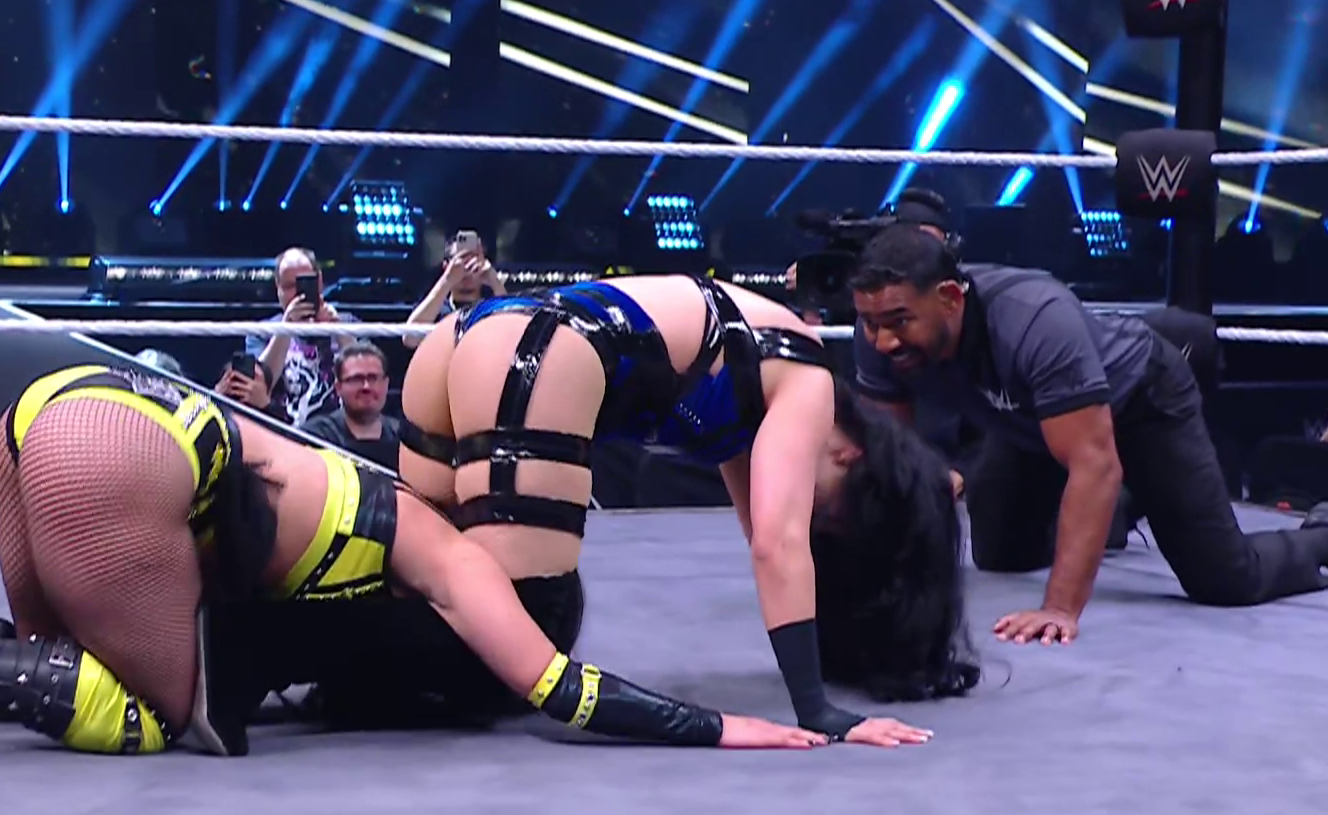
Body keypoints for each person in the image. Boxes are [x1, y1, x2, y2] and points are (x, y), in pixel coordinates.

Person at [0, 364, 827, 769]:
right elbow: (556, 685)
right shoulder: (443, 555)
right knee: (161, 717)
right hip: (121, 457)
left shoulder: (379, 496)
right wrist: (727, 727)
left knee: (67, 658)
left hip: (50, 412)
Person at [400, 271, 965, 746]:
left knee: (429, 586)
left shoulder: (754, 382)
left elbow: (762, 536)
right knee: (525, 621)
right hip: (534, 354)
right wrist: (817, 712)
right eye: (834, 512)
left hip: (460, 341)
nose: (816, 518)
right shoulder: (810, 382)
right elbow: (778, 543)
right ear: (850, 456)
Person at [846, 225, 1328, 649]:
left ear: (950, 299)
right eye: (870, 323)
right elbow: (889, 462)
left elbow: (1093, 463)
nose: (883, 341)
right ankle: (1120, 508)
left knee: (1226, 579)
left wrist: (1060, 608)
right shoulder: (877, 339)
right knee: (1002, 552)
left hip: (1139, 401)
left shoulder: (1032, 318)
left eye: (899, 322)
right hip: (1031, 423)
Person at [246, 247, 360, 426]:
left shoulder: (348, 324)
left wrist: (339, 330)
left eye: (305, 283)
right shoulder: (263, 332)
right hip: (284, 430)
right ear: (278, 288)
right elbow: (258, 386)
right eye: (289, 286)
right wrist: (285, 329)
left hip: (340, 434)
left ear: (319, 281)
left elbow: (367, 377)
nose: (297, 294)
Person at [301, 344, 402, 469]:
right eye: (356, 379)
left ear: (386, 384)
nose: (366, 387)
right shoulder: (313, 438)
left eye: (373, 378)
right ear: (338, 388)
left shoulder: (404, 439)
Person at [402, 229, 506, 348]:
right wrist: (447, 280)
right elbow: (409, 339)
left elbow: (514, 335)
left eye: (473, 259)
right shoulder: (435, 309)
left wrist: (495, 282)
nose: (467, 267)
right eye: (460, 260)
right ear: (447, 266)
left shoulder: (493, 307)